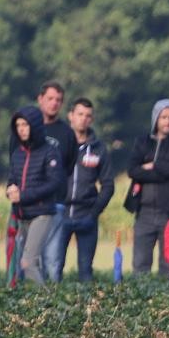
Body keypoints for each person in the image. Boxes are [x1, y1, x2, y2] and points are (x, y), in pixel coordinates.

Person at [43, 97, 114, 282]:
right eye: (80, 114)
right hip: (60, 214)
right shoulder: (57, 145)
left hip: (87, 216)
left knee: (86, 272)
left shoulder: (98, 149)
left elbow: (108, 185)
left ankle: (87, 309)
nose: (83, 119)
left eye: (88, 115)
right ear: (71, 116)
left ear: (92, 119)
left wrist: (94, 212)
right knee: (53, 268)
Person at [126, 99, 169, 275]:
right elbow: (133, 170)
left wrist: (154, 165)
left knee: (168, 263)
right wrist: (164, 170)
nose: (167, 121)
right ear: (156, 118)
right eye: (164, 117)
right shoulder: (143, 142)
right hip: (144, 212)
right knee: (140, 263)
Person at [6, 106, 66, 284]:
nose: (22, 129)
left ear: (35, 126)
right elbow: (12, 179)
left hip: (42, 213)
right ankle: (31, 303)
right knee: (20, 262)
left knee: (28, 262)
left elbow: (54, 183)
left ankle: (47, 302)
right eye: (18, 125)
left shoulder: (50, 151)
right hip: (22, 214)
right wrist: (10, 190)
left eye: (25, 124)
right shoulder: (17, 154)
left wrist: (22, 196)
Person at [35, 81, 78, 174]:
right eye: (50, 99)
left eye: (58, 100)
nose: (54, 103)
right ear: (40, 99)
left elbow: (69, 168)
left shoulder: (68, 134)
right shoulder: (28, 128)